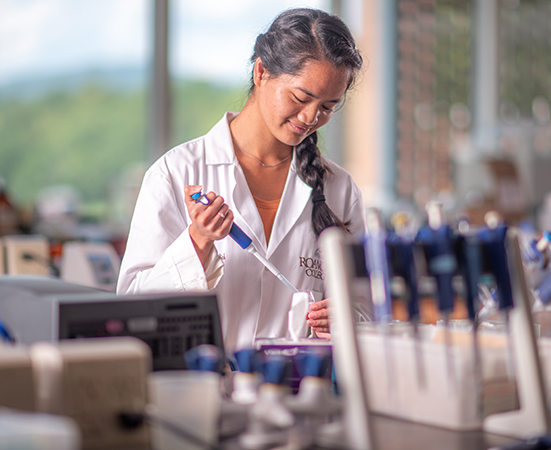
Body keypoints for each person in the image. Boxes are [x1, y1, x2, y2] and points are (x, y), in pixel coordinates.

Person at [117, 8, 365, 351]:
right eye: (300, 97)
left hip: (303, 392)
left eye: (327, 106)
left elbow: (366, 307)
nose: (311, 117)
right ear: (261, 71)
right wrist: (198, 241)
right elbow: (130, 306)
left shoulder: (340, 189)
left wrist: (347, 318)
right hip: (203, 390)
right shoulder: (176, 173)